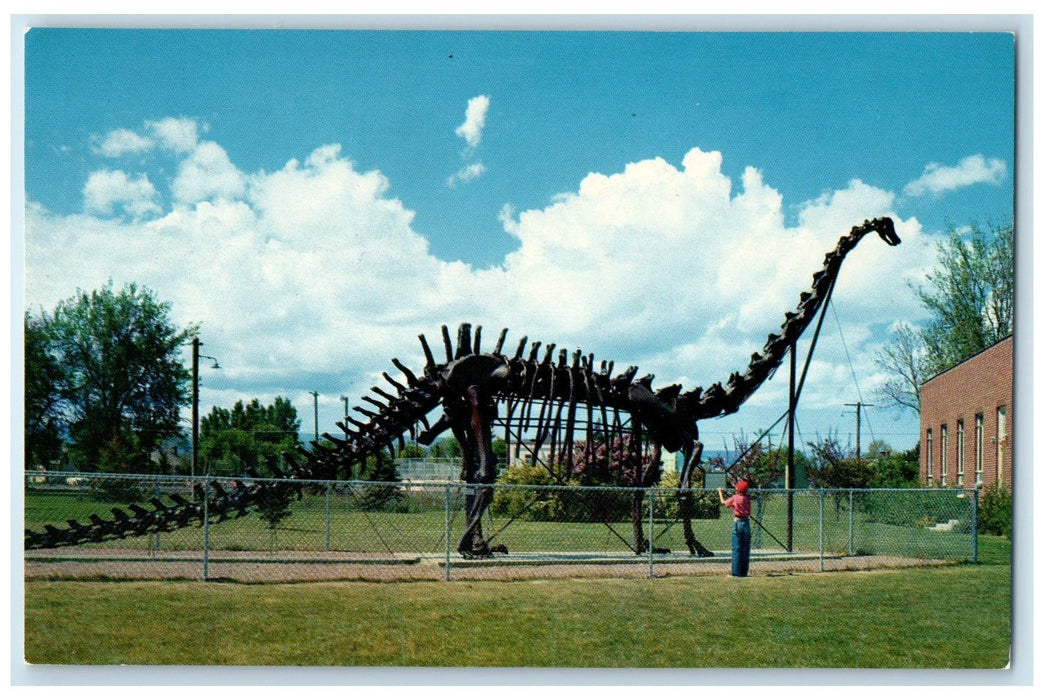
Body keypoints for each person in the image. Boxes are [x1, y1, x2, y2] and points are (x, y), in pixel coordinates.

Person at [718, 479, 752, 577]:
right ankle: (743, 572)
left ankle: (736, 572)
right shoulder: (747, 498)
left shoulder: (735, 498)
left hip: (738, 523)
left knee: (737, 548)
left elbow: (724, 503)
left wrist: (720, 492)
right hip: (746, 523)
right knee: (745, 549)